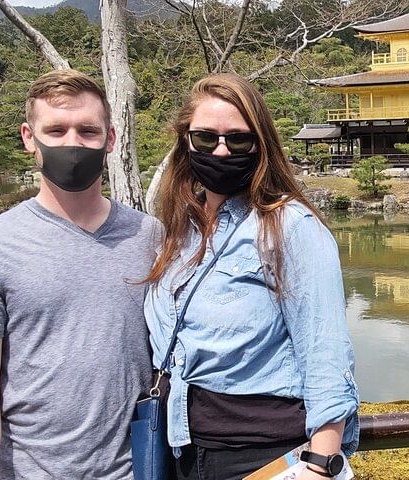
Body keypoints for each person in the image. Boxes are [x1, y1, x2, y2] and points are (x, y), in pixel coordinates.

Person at [0, 69, 162, 479]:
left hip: (135, 470)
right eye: (56, 130)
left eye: (88, 131)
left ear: (111, 139)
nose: (72, 143)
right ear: (29, 138)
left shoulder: (149, 236)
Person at [143, 73, 359, 480]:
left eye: (238, 140)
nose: (221, 151)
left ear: (261, 145)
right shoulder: (181, 230)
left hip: (264, 453)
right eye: (205, 138)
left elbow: (325, 350)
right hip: (181, 449)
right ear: (186, 142)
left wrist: (321, 463)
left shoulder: (291, 227)